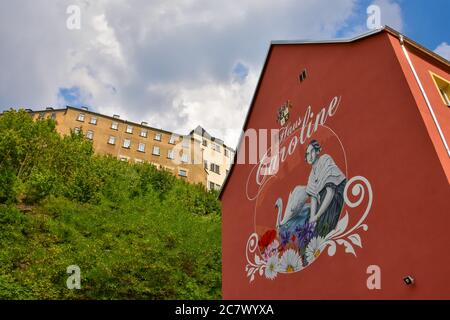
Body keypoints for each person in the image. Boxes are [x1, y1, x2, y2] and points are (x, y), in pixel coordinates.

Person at [304, 140, 346, 238]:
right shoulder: (311, 176)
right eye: (307, 154)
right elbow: (314, 198)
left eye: (312, 152)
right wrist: (312, 219)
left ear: (318, 151)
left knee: (324, 223)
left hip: (337, 197)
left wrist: (317, 216)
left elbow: (330, 192)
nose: (309, 156)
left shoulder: (325, 159)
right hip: (325, 200)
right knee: (309, 221)